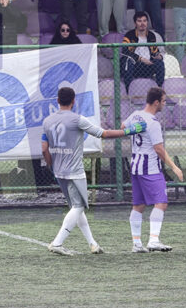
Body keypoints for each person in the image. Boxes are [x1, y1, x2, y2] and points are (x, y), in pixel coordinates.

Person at [42, 86, 145, 255]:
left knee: (76, 207)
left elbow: (44, 148)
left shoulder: (47, 121)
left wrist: (51, 165)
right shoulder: (77, 119)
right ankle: (57, 243)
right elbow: (103, 134)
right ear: (74, 101)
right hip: (74, 171)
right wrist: (129, 131)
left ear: (57, 101)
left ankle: (93, 244)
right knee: (78, 206)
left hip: (59, 170)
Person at [122, 86, 184, 253]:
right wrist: (175, 167)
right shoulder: (153, 123)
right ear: (156, 102)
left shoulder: (135, 115)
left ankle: (136, 244)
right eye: (163, 101)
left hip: (136, 166)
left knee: (138, 205)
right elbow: (159, 149)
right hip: (150, 168)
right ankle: (153, 241)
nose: (164, 105)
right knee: (161, 203)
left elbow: (123, 127)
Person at [120, 11, 164, 91]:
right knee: (127, 61)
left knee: (160, 63)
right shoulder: (129, 35)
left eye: (144, 21)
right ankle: (128, 90)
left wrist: (158, 56)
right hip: (135, 65)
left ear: (147, 22)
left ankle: (159, 89)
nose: (142, 23)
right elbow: (125, 51)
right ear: (135, 23)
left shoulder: (151, 35)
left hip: (148, 65)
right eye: (139, 21)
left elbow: (155, 50)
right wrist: (140, 59)